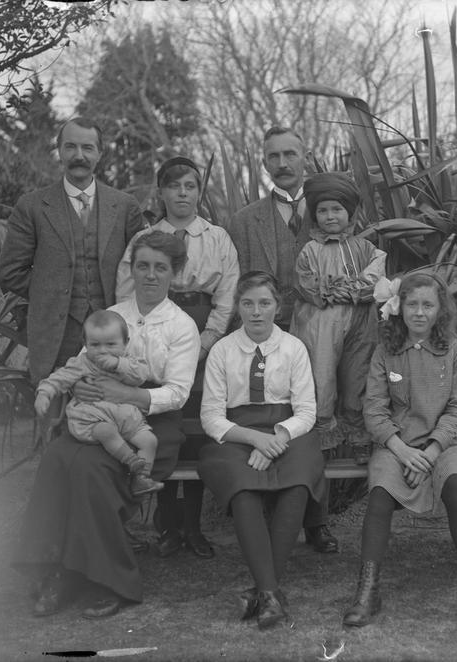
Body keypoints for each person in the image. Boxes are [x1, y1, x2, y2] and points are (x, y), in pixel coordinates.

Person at [13, 231, 200, 619]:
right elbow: (81, 368)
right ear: (131, 269)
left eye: (160, 268)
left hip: (151, 425)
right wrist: (82, 386)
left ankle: (108, 580)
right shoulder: (112, 315)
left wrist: (124, 393)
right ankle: (56, 570)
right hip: (94, 413)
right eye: (143, 266)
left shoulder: (182, 326)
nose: (150, 275)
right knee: (57, 459)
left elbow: (178, 392)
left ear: (174, 273)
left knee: (92, 470)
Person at [344, 272, 457, 627]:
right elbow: (375, 410)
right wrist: (401, 449)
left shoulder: (454, 351)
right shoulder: (386, 352)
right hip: (396, 446)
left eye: (428, 305)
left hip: (445, 443)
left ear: (440, 310)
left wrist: (429, 451)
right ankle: (368, 589)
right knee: (379, 493)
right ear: (399, 307)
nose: (420, 313)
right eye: (412, 304)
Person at [117, 156, 240, 560]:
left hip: (204, 326)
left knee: (199, 427)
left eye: (190, 186)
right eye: (174, 187)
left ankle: (194, 525)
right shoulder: (147, 238)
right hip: (161, 327)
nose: (182, 194)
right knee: (165, 420)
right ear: (162, 192)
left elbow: (227, 293)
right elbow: (127, 289)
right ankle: (167, 523)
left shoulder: (217, 237)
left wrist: (208, 338)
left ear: (199, 191)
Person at [227, 126, 337, 554]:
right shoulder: (244, 220)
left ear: (306, 156)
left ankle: (317, 520)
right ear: (264, 162)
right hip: (265, 333)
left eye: (291, 154)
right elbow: (240, 283)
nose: (283, 164)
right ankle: (273, 508)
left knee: (315, 417)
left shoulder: (329, 210)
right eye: (274, 156)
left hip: (320, 331)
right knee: (275, 415)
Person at [198, 271, 324, 630]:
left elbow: (306, 412)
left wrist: (278, 438)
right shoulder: (223, 350)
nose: (256, 312)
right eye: (248, 303)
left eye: (264, 303)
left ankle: (263, 593)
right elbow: (210, 416)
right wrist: (255, 440)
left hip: (288, 431)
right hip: (237, 434)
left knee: (298, 481)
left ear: (277, 307)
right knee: (243, 486)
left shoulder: (293, 348)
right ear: (238, 307)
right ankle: (270, 592)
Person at [0, 116, 145, 385]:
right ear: (59, 151)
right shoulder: (32, 206)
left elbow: (142, 268)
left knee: (111, 411)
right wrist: (51, 293)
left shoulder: (125, 206)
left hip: (115, 333)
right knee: (55, 409)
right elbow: (9, 272)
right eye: (70, 147)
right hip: (56, 333)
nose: (79, 155)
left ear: (100, 153)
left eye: (87, 148)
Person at [292, 172, 385, 461]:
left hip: (361, 323)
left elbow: (375, 282)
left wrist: (348, 290)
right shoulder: (311, 250)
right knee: (323, 375)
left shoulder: (366, 248)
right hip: (322, 324)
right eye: (322, 210)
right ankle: (324, 435)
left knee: (358, 373)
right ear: (314, 215)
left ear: (350, 212)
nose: (330, 216)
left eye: (336, 209)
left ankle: (358, 433)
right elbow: (307, 286)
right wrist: (344, 290)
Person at [33, 310, 163, 496]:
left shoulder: (130, 361)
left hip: (126, 418)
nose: (103, 350)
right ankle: (130, 461)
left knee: (150, 441)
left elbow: (140, 376)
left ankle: (141, 479)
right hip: (93, 418)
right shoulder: (82, 363)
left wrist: (119, 365)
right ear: (85, 345)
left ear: (125, 343)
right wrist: (44, 394)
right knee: (106, 432)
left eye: (111, 344)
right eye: (95, 345)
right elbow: (59, 378)